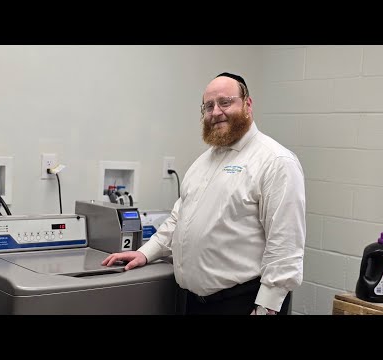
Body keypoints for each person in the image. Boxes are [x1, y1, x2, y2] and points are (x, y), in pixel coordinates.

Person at [102, 72, 306, 315]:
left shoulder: (275, 161)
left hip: (244, 303)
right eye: (208, 106)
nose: (216, 112)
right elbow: (179, 220)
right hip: (195, 303)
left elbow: (285, 245)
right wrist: (146, 252)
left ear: (247, 105)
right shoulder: (203, 162)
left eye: (225, 102)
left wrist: (266, 307)